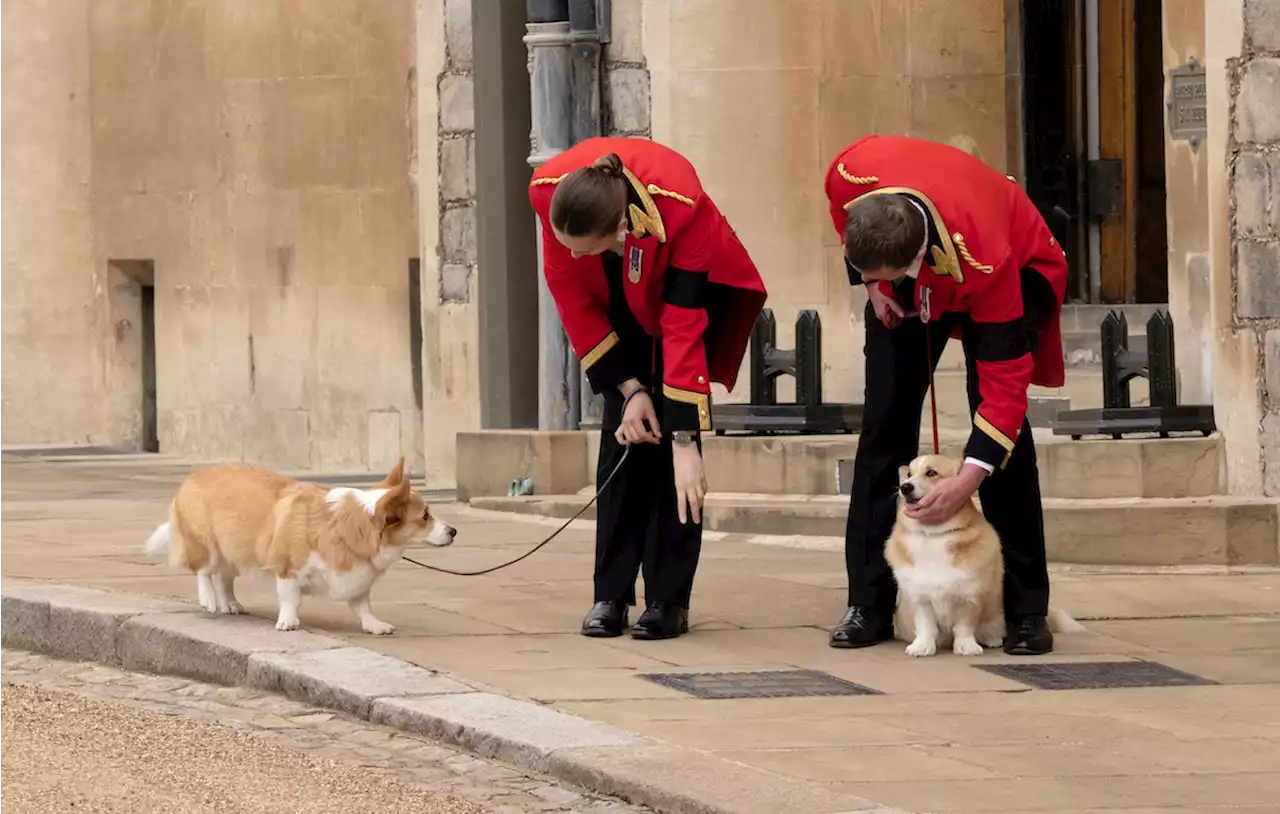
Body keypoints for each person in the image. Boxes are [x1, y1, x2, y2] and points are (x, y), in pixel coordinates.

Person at [821, 134, 1068, 656]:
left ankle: (1024, 610)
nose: (875, 283)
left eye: (885, 276)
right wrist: (875, 287)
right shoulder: (850, 175)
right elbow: (841, 215)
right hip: (918, 260)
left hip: (1015, 270)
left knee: (1006, 448)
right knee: (883, 428)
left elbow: (1004, 391)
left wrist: (965, 480)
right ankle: (867, 602)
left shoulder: (987, 258)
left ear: (914, 257)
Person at [528, 136, 767, 641]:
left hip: (679, 286)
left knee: (676, 458)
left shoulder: (683, 210)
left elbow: (682, 330)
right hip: (614, 297)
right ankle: (609, 594)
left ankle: (668, 598)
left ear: (617, 226)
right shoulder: (551, 194)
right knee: (622, 433)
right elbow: (570, 295)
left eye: (579, 247)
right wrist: (629, 387)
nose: (568, 253)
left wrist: (685, 443)